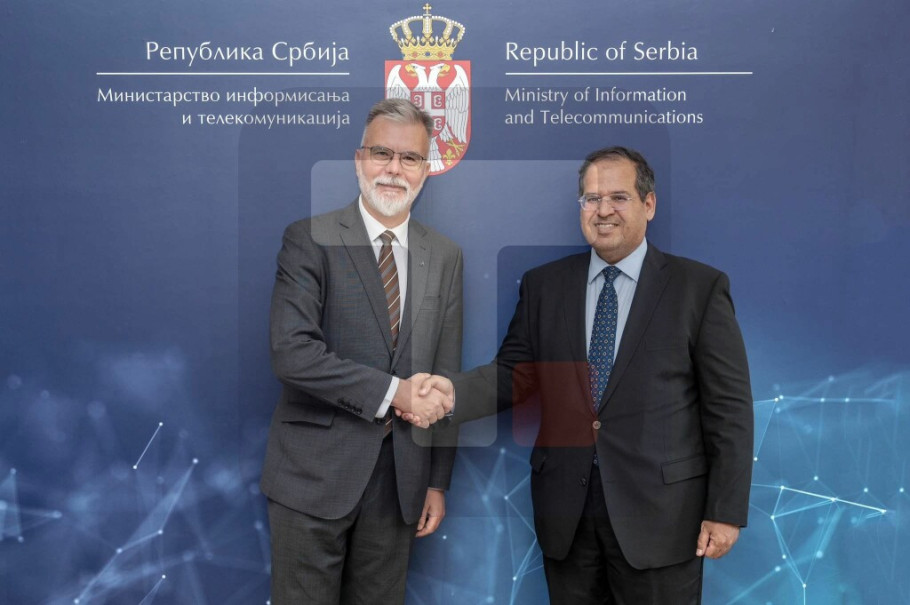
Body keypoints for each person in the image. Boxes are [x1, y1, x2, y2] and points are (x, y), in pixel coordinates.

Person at [414, 147, 753, 604]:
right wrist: (450, 392)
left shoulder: (699, 289)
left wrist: (725, 511)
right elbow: (513, 375)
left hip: (663, 519)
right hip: (567, 515)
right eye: (592, 199)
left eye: (618, 197)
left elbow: (729, 409)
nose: (603, 210)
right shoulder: (544, 286)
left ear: (649, 204)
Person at [260, 98, 462, 604]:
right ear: (359, 160)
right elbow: (292, 353)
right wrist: (395, 393)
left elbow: (444, 374)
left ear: (425, 170)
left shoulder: (445, 256)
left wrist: (437, 481)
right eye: (381, 153)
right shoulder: (309, 239)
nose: (394, 169)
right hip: (312, 478)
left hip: (400, 485)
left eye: (410, 158)